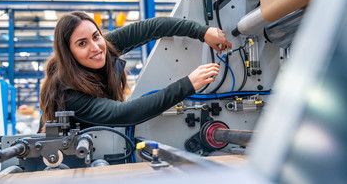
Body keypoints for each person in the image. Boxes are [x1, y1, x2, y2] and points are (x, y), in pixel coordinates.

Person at [39, 11, 232, 132]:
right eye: (82, 43)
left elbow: (149, 27)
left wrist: (202, 32)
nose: (96, 47)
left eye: (96, 36)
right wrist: (187, 84)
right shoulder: (68, 95)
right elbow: (126, 113)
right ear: (68, 53)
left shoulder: (104, 46)